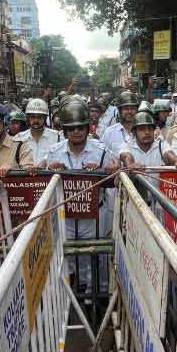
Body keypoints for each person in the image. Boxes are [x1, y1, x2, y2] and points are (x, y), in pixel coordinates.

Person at [44, 100, 117, 292]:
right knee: (64, 256)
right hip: (66, 216)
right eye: (71, 128)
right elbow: (43, 181)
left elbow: (116, 173)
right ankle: (68, 296)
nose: (76, 131)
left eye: (80, 127)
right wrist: (52, 171)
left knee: (97, 256)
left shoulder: (101, 150)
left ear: (87, 127)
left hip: (95, 215)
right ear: (65, 130)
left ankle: (97, 296)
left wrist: (105, 170)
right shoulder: (54, 152)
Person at [14, 98, 60, 166]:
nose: (36, 120)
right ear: (28, 118)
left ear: (44, 118)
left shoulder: (57, 137)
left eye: (39, 117)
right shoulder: (18, 138)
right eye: (33, 117)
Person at [100, 90, 139, 156]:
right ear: (120, 110)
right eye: (126, 108)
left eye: (132, 108)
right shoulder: (110, 132)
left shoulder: (143, 130)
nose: (129, 111)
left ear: (137, 110)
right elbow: (102, 156)